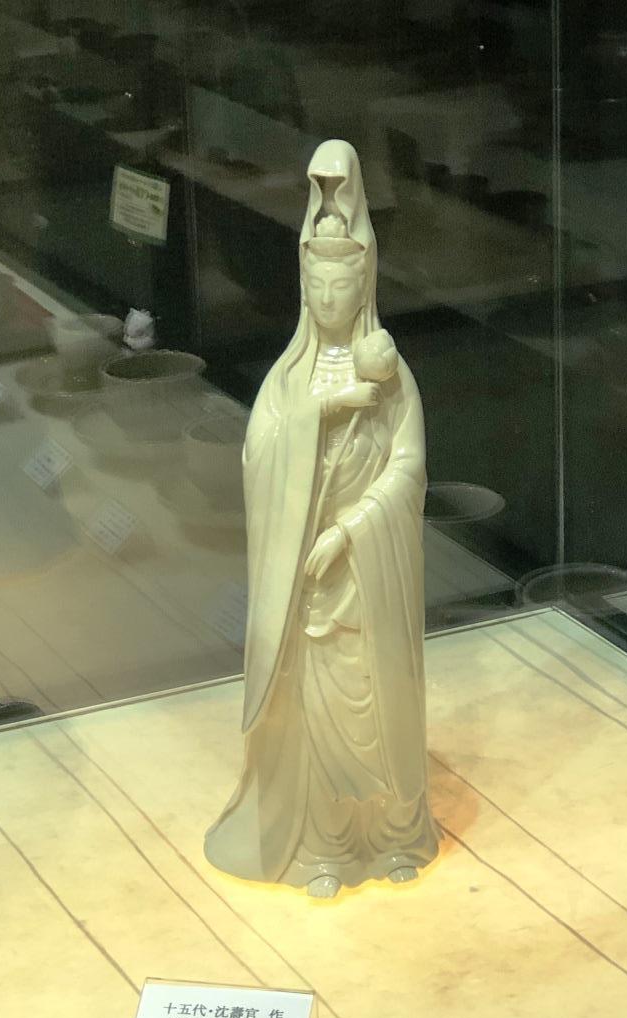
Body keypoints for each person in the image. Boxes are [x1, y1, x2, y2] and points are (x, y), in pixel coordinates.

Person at [204, 140, 440, 898]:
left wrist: (351, 530)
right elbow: (259, 455)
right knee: (317, 715)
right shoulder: (289, 379)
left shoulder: (393, 375)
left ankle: (394, 834)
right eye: (317, 285)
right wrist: (325, 410)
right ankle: (325, 848)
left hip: (366, 578)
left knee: (378, 703)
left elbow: (409, 469)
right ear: (304, 286)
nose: (330, 300)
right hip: (308, 588)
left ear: (363, 283)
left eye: (343, 285)